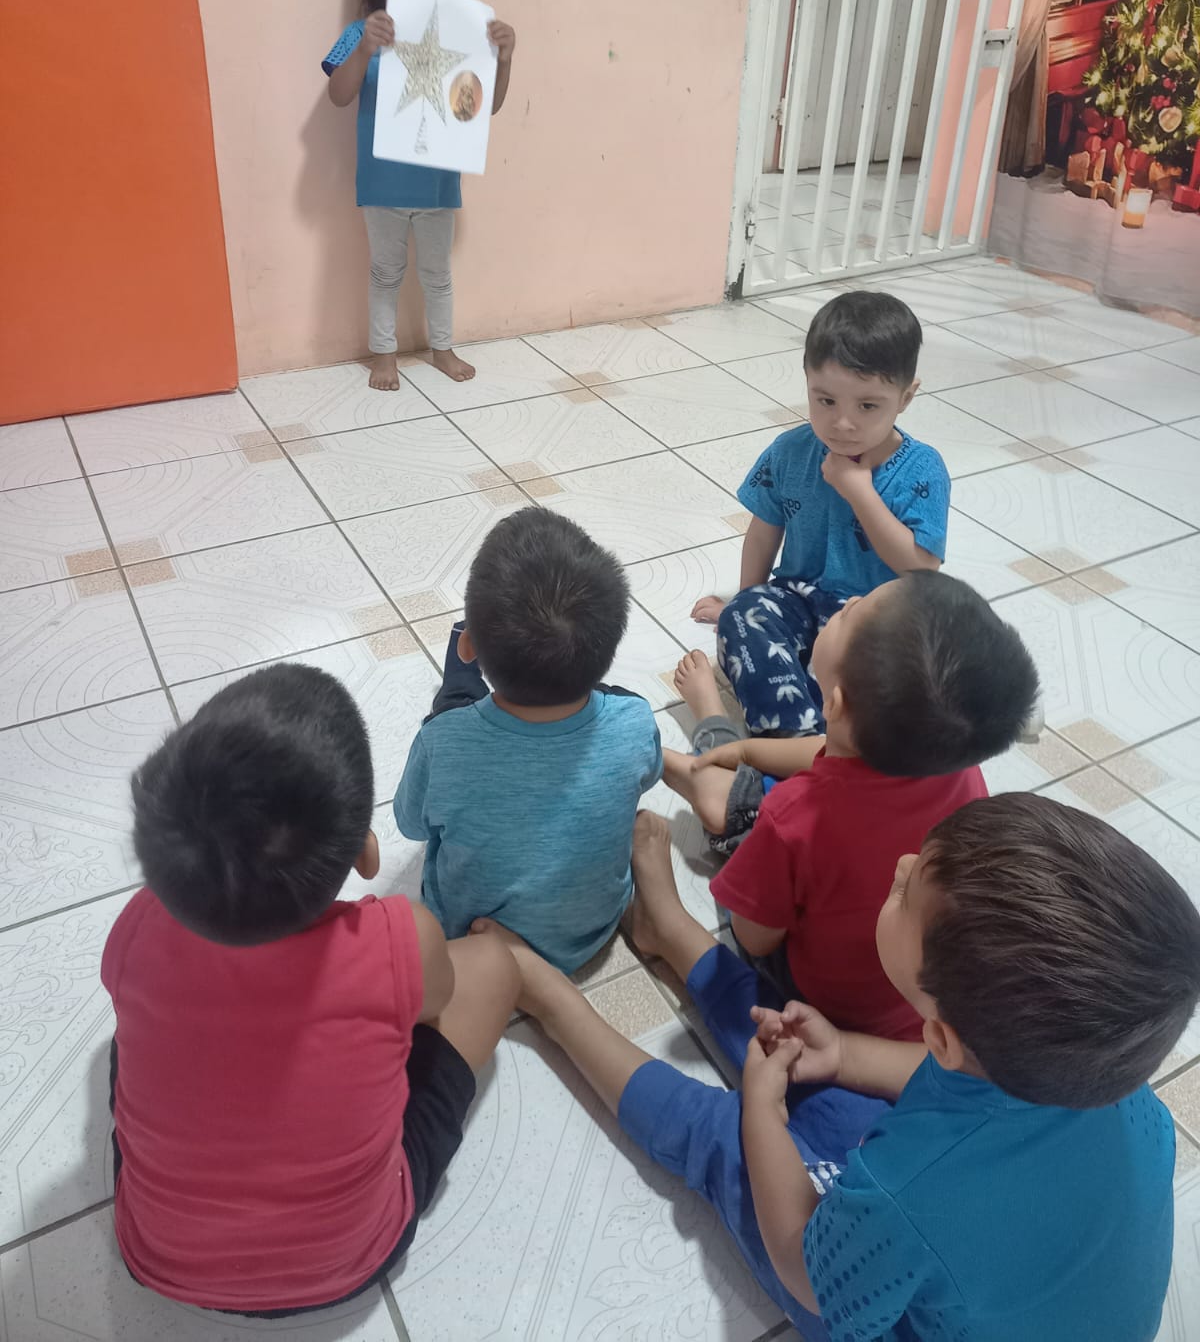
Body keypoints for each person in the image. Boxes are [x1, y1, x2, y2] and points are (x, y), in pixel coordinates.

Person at [477, 792, 1200, 1341]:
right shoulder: (1108, 1081)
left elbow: (807, 1269)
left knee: (725, 1133)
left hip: (881, 1293)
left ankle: (550, 1000)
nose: (902, 865)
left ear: (943, 1036)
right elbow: (961, 1089)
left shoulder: (906, 1196)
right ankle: (674, 932)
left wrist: (761, 1115)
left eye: (906, 894)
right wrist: (847, 1053)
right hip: (981, 1257)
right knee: (805, 1054)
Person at [102, 663, 519, 1318]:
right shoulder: (398, 937)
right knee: (493, 965)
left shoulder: (135, 931)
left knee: (127, 1045)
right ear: (365, 856)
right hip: (353, 1258)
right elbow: (437, 1003)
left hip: (158, 1257)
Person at [667, 572, 1039, 1038]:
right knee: (769, 773)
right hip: (911, 1000)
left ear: (836, 703)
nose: (852, 598)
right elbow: (828, 752)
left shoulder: (794, 817)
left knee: (745, 827)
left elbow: (754, 937)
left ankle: (712, 736)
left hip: (824, 1003)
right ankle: (727, 763)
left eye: (850, 613)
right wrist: (748, 750)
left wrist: (740, 759)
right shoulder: (957, 770)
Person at [395, 507, 663, 974]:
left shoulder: (444, 740)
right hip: (591, 931)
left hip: (473, 943)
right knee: (597, 698)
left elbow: (410, 824)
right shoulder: (635, 720)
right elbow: (649, 774)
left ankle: (462, 656)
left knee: (457, 699)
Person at [692, 290, 949, 736]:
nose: (842, 423)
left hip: (876, 616)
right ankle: (795, 738)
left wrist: (860, 493)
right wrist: (747, 599)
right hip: (797, 598)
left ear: (906, 397)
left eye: (867, 406)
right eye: (826, 401)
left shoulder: (922, 470)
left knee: (889, 683)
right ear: (807, 381)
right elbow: (764, 531)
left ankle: (824, 736)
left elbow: (922, 566)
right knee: (743, 619)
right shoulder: (790, 451)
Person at [323, 0, 517, 389]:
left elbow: (485, 108)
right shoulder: (361, 32)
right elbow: (338, 96)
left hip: (437, 185)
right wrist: (365, 48)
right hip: (382, 185)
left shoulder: (462, 35)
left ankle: (443, 349)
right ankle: (383, 354)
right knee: (385, 272)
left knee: (438, 275)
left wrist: (503, 59)